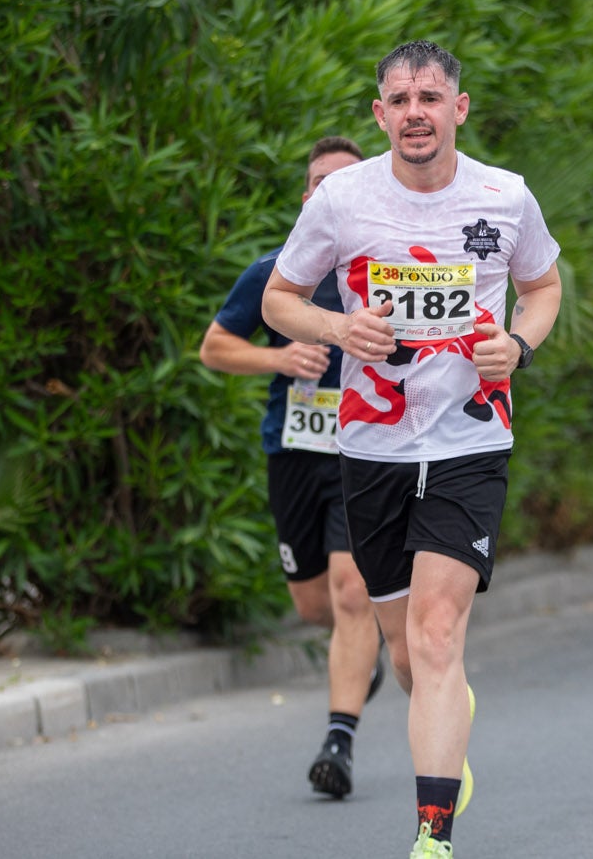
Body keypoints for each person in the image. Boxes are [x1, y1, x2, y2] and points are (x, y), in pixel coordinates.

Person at [262, 41, 562, 859]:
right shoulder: (343, 200)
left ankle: (433, 838)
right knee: (406, 656)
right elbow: (278, 298)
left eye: (430, 96)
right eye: (399, 99)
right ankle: (446, 726)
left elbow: (543, 286)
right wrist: (336, 325)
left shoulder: (505, 196)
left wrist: (521, 345)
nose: (415, 111)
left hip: (471, 438)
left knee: (436, 635)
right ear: (380, 114)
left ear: (459, 108)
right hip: (372, 446)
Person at [198, 135, 385, 800]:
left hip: (366, 455)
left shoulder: (388, 271)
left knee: (351, 592)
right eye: (317, 182)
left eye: (343, 180)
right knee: (314, 605)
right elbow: (215, 347)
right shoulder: (279, 272)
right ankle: (364, 648)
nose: (327, 192)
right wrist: (279, 358)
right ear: (307, 197)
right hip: (296, 451)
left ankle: (339, 738)